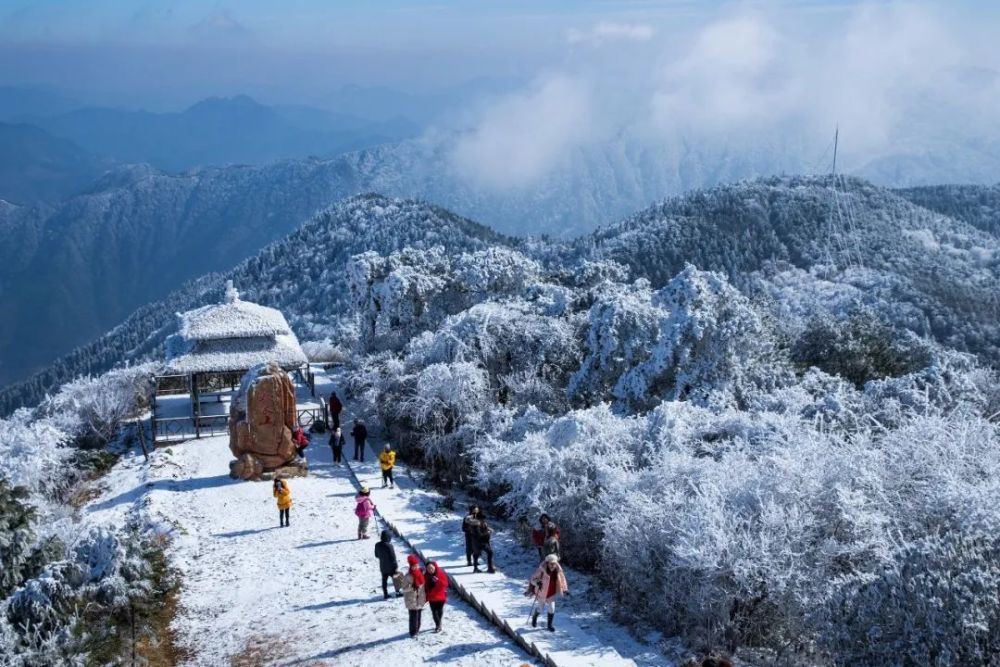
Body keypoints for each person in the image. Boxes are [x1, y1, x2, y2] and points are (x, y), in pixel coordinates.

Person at [528, 554, 568, 632]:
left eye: (554, 563)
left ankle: (549, 625)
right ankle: (535, 617)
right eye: (551, 563)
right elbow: (532, 579)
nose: (553, 565)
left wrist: (565, 589)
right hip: (542, 593)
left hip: (551, 593)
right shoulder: (541, 569)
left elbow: (562, 579)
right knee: (541, 609)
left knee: (552, 608)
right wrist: (537, 583)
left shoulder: (558, 570)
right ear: (547, 563)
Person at [400, 554, 427, 638]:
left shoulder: (420, 574)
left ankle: (417, 630)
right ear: (411, 566)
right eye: (413, 566)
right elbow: (403, 589)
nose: (415, 567)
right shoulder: (408, 576)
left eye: (416, 565)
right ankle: (413, 632)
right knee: (413, 617)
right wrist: (412, 587)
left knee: (418, 616)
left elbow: (423, 585)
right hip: (411, 600)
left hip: (420, 599)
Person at [374, 529, 401, 600]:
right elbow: (393, 557)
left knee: (384, 580)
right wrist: (396, 566)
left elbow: (376, 555)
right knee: (396, 579)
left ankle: (385, 594)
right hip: (391, 566)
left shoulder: (377, 545)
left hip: (382, 566)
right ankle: (398, 592)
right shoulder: (389, 546)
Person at [424, 561, 449, 633]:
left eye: (431, 568)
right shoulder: (426, 576)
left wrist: (438, 581)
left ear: (435, 567)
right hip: (432, 597)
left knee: (439, 611)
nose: (430, 570)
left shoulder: (440, 574)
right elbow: (424, 587)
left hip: (441, 596)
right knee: (434, 612)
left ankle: (439, 622)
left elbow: (445, 584)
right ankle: (438, 625)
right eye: (428, 568)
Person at [472, 508, 495, 574]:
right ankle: (490, 568)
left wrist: (488, 529)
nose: (483, 520)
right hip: (480, 542)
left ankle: (476, 568)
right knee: (489, 552)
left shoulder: (480, 523)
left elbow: (484, 528)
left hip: (480, 541)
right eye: (482, 518)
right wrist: (488, 532)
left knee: (476, 554)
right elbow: (479, 534)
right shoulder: (476, 524)